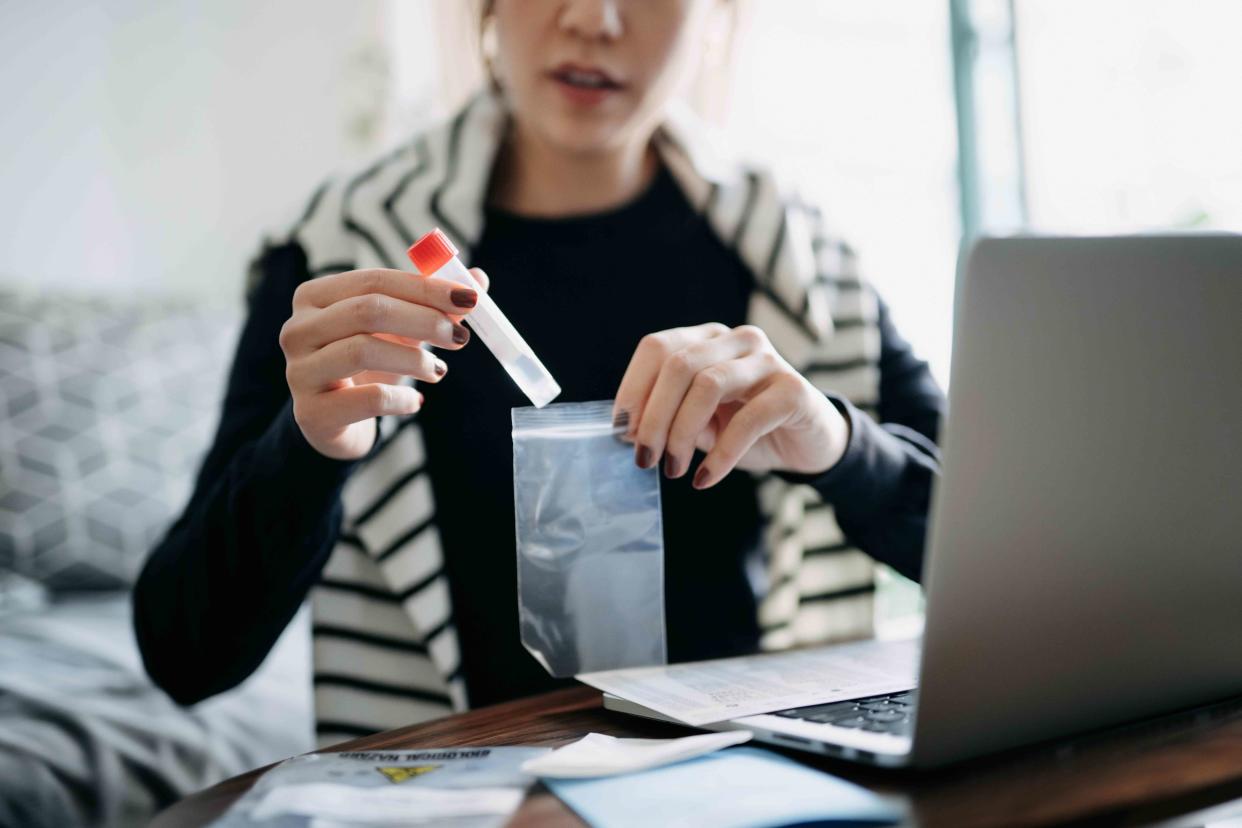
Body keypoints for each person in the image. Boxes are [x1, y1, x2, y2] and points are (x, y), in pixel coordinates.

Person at [134, 0, 943, 744]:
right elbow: (183, 656)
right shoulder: (343, 250)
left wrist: (838, 445)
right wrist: (308, 449)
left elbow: (1015, 568)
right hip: (461, 799)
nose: (593, 18)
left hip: (746, 781)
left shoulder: (798, 258)